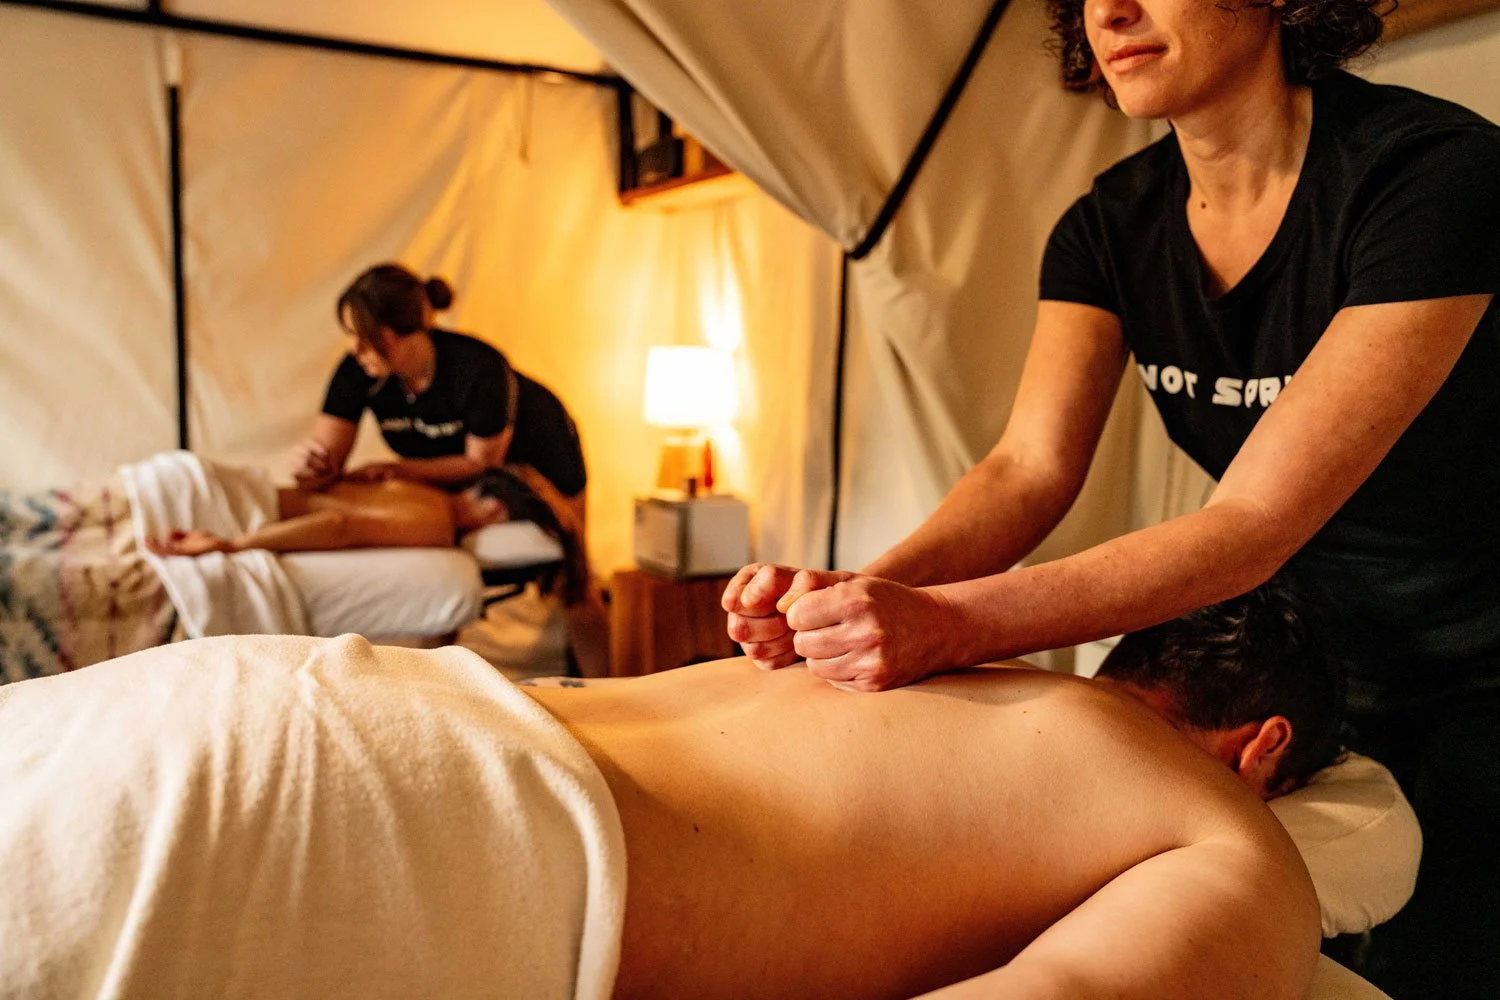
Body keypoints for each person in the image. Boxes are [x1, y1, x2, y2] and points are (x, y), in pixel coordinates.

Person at [723, 1, 1498, 994]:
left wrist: (944, 624)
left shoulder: (1431, 178)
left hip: (1484, 637)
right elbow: (1028, 471)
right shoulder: (1108, 224)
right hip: (1318, 640)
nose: (1108, 11)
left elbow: (1252, 523)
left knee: (1457, 944)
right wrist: (854, 601)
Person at [0, 585, 1336, 999]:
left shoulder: (952, 662)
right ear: (1265, 747)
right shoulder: (1220, 829)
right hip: (410, 848)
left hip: (268, 703)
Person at [293, 262, 608, 673]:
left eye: (366, 338)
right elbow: (325, 460)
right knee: (442, 575)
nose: (356, 350)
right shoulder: (358, 371)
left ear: (399, 333)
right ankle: (433, 686)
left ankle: (609, 685)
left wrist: (397, 470)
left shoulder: (478, 367)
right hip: (455, 472)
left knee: (573, 579)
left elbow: (482, 462)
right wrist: (308, 465)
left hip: (543, 463)